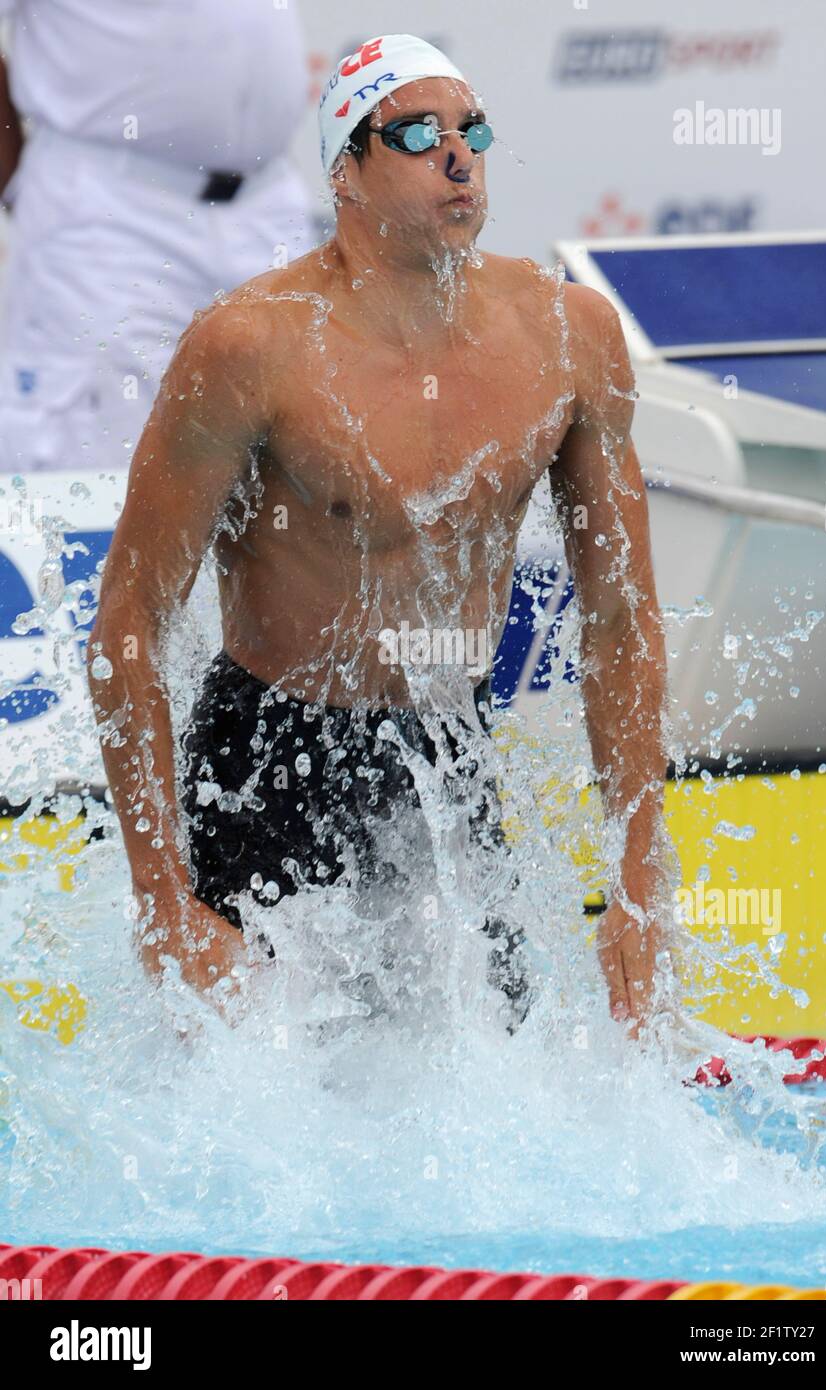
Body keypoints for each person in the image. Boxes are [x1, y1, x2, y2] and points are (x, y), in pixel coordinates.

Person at [89, 34, 670, 1037]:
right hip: (268, 759)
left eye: (471, 130)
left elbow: (620, 618)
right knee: (261, 1123)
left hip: (448, 753)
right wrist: (163, 900)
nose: (459, 155)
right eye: (415, 134)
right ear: (344, 172)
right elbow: (128, 622)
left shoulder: (570, 334)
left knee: (479, 1097)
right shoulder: (250, 346)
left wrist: (638, 880)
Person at [0, 0, 316, 474]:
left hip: (269, 202)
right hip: (112, 213)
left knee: (294, 482)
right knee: (95, 485)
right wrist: (19, 185)